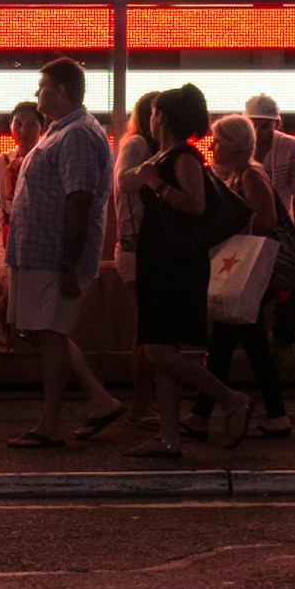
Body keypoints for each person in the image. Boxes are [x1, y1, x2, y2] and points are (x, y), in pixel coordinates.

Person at [116, 85, 251, 459]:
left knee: (158, 350)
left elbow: (195, 205)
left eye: (156, 111)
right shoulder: (164, 155)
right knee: (162, 346)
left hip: (175, 263)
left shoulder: (184, 157)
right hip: (160, 259)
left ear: (167, 118)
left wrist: (155, 183)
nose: (151, 117)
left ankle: (230, 399)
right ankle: (168, 435)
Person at [5, 58, 125, 448]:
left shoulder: (76, 135)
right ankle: (100, 400)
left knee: (50, 333)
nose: (37, 95)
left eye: (42, 88)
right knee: (43, 331)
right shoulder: (62, 131)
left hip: (53, 255)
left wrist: (70, 262)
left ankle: (48, 424)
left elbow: (80, 199)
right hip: (38, 253)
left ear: (60, 91)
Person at [187, 115, 289, 439]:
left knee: (224, 343)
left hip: (248, 270)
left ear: (234, 145)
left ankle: (203, 415)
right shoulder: (241, 174)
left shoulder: (249, 174)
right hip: (247, 275)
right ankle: (276, 414)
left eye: (217, 141)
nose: (213, 147)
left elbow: (267, 219)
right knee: (250, 343)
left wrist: (231, 228)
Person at [243, 95, 295, 360]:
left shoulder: (290, 148)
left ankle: (281, 340)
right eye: (255, 125)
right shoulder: (237, 146)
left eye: (266, 125)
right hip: (245, 234)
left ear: (277, 124)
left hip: (278, 233)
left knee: (292, 285)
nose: (260, 132)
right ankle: (264, 346)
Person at [0, 101, 44, 357]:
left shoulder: (45, 158)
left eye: (31, 124)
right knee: (11, 285)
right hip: (8, 232)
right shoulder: (1, 161)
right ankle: (7, 327)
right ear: (11, 127)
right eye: (18, 123)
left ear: (41, 127)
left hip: (40, 233)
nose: (24, 129)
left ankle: (28, 330)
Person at [112, 90, 160, 424]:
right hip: (136, 247)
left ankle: (145, 401)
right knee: (148, 326)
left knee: (149, 325)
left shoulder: (144, 145)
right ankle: (140, 404)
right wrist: (154, 172)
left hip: (143, 247)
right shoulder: (138, 145)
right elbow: (124, 180)